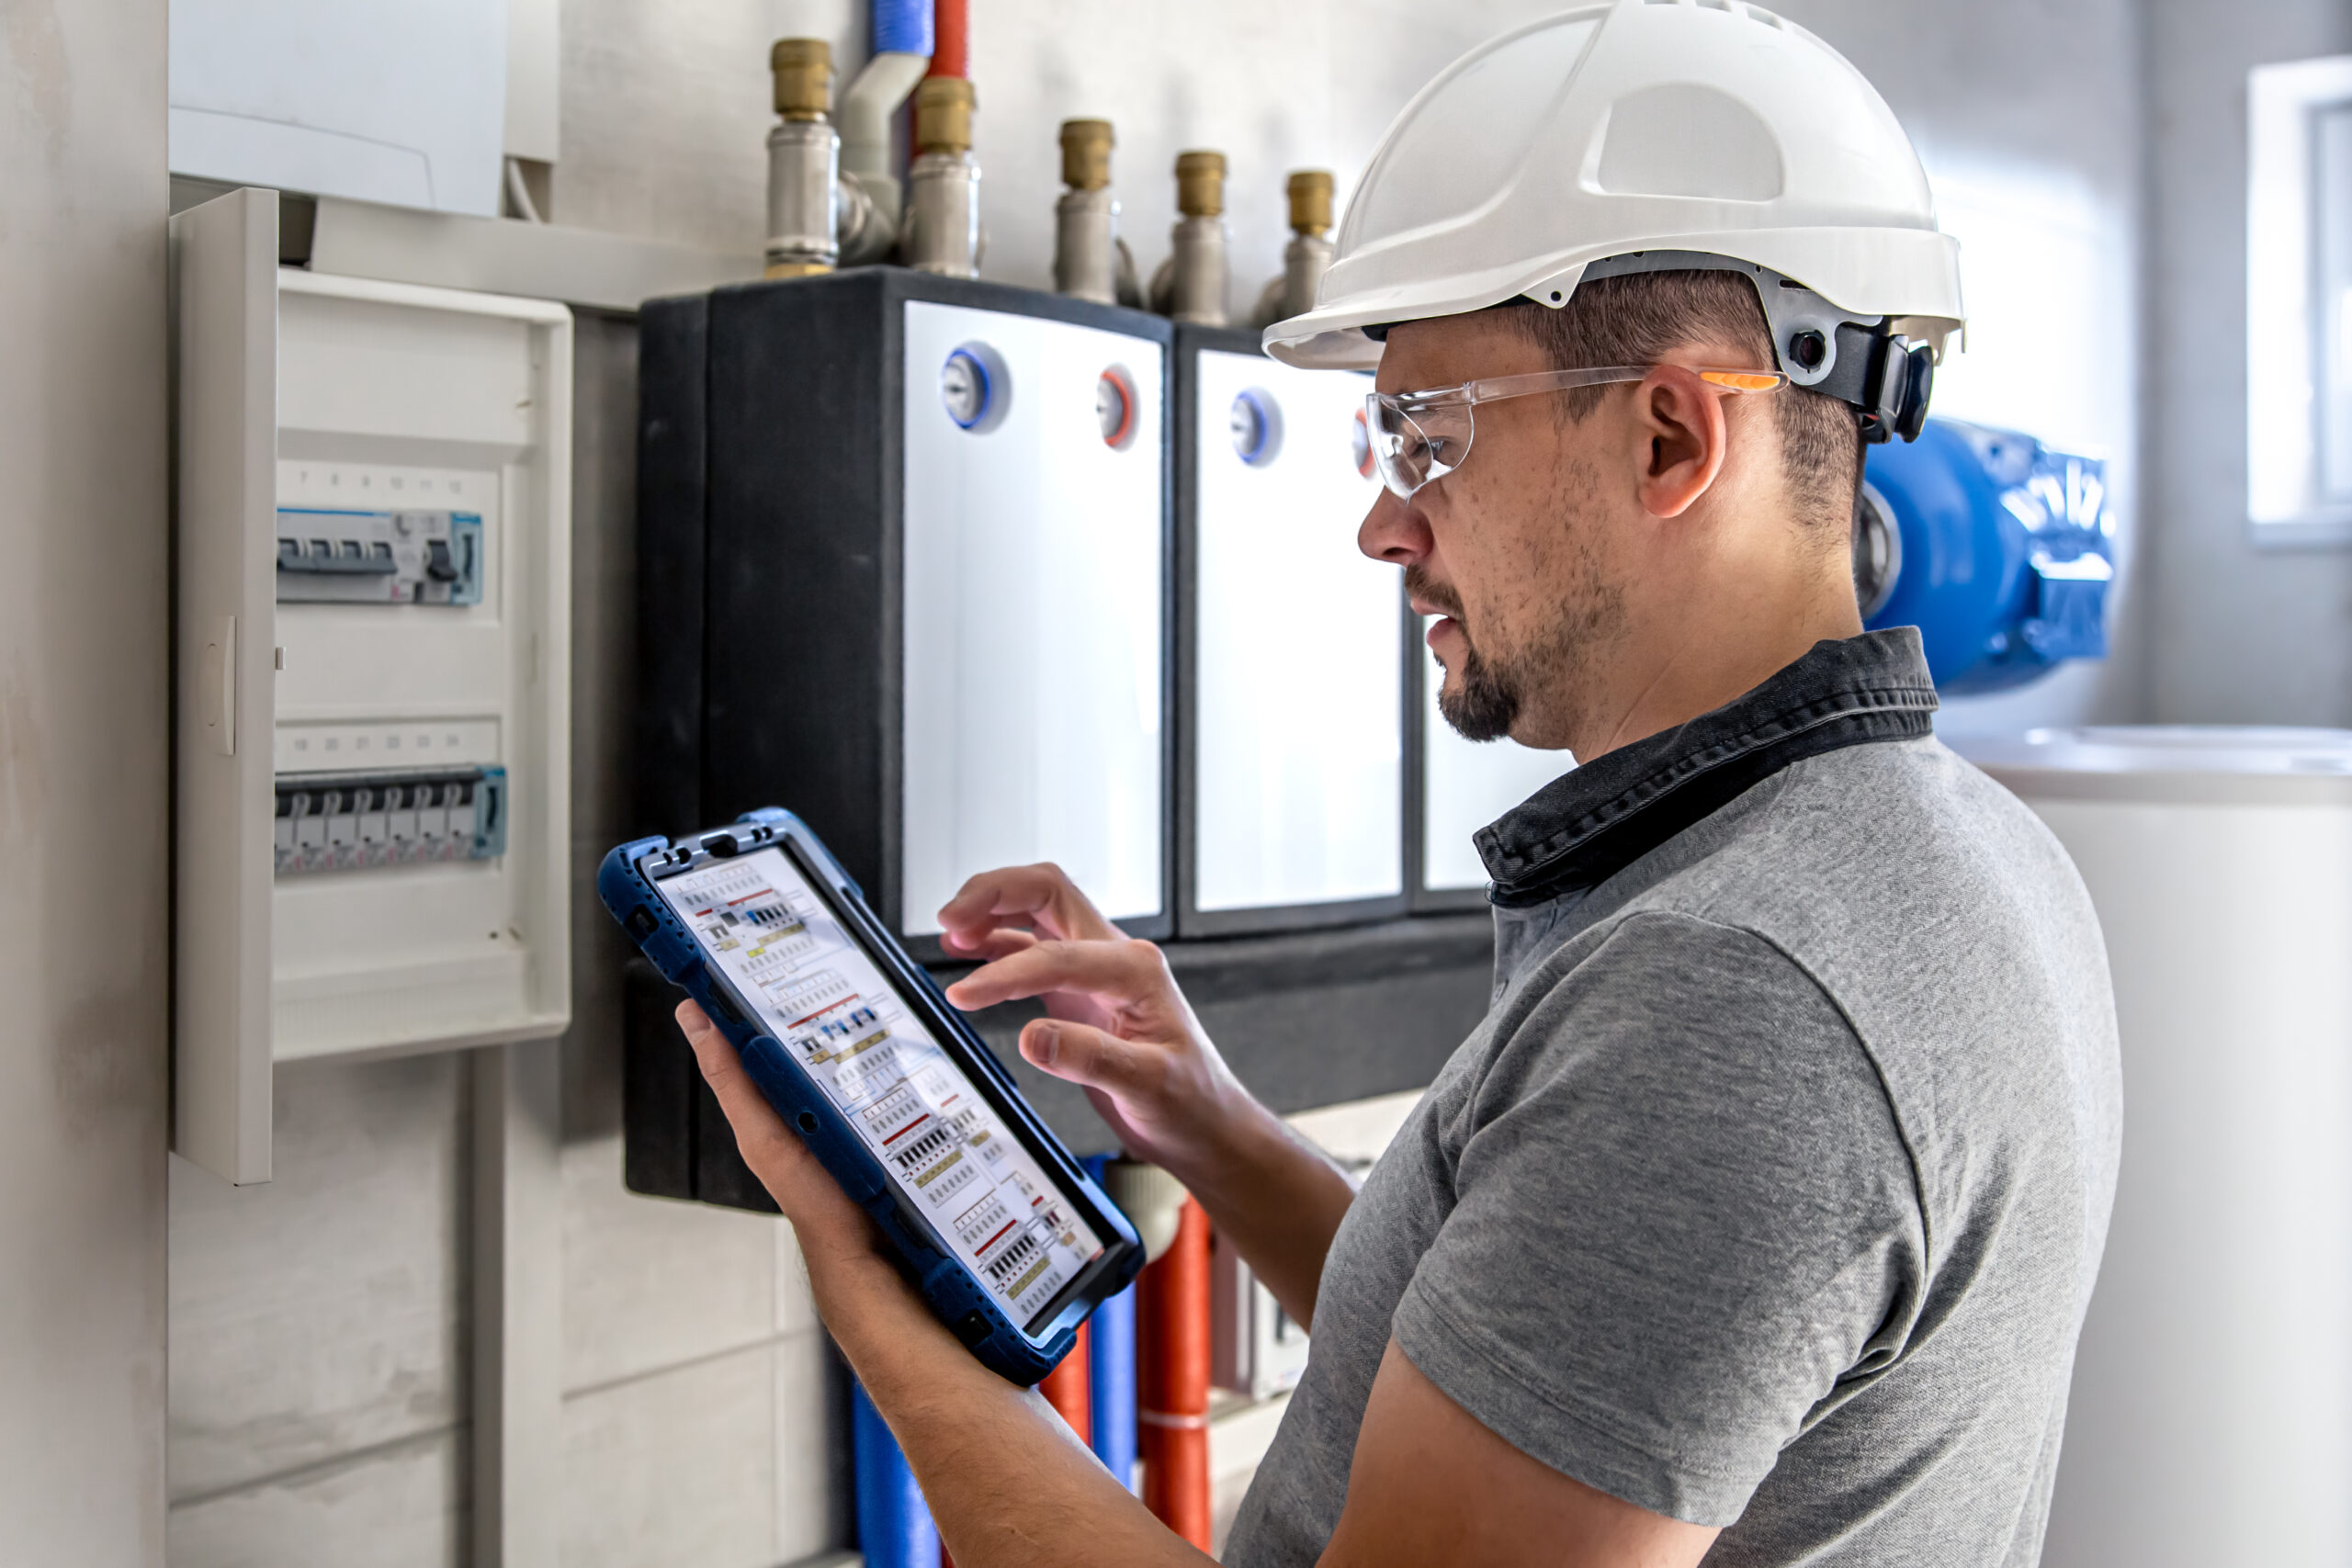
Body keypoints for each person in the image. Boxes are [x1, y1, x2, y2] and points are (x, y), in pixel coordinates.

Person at [676, 4, 2121, 1563]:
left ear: (1668, 438)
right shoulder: (1956, 849)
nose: (1382, 524)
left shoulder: (1735, 996)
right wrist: (1213, 1123)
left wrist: (888, 1309)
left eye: (1427, 439)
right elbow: (1551, 1370)